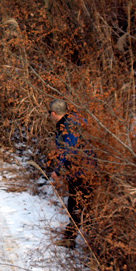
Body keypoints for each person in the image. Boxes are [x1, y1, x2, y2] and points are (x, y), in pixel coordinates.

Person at [48, 99, 95, 248]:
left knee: (76, 205)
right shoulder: (78, 121)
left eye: (50, 113)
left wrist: (58, 172)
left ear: (54, 113)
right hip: (89, 169)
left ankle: (72, 240)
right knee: (82, 205)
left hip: (80, 172)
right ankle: (78, 239)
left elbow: (70, 153)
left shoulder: (67, 128)